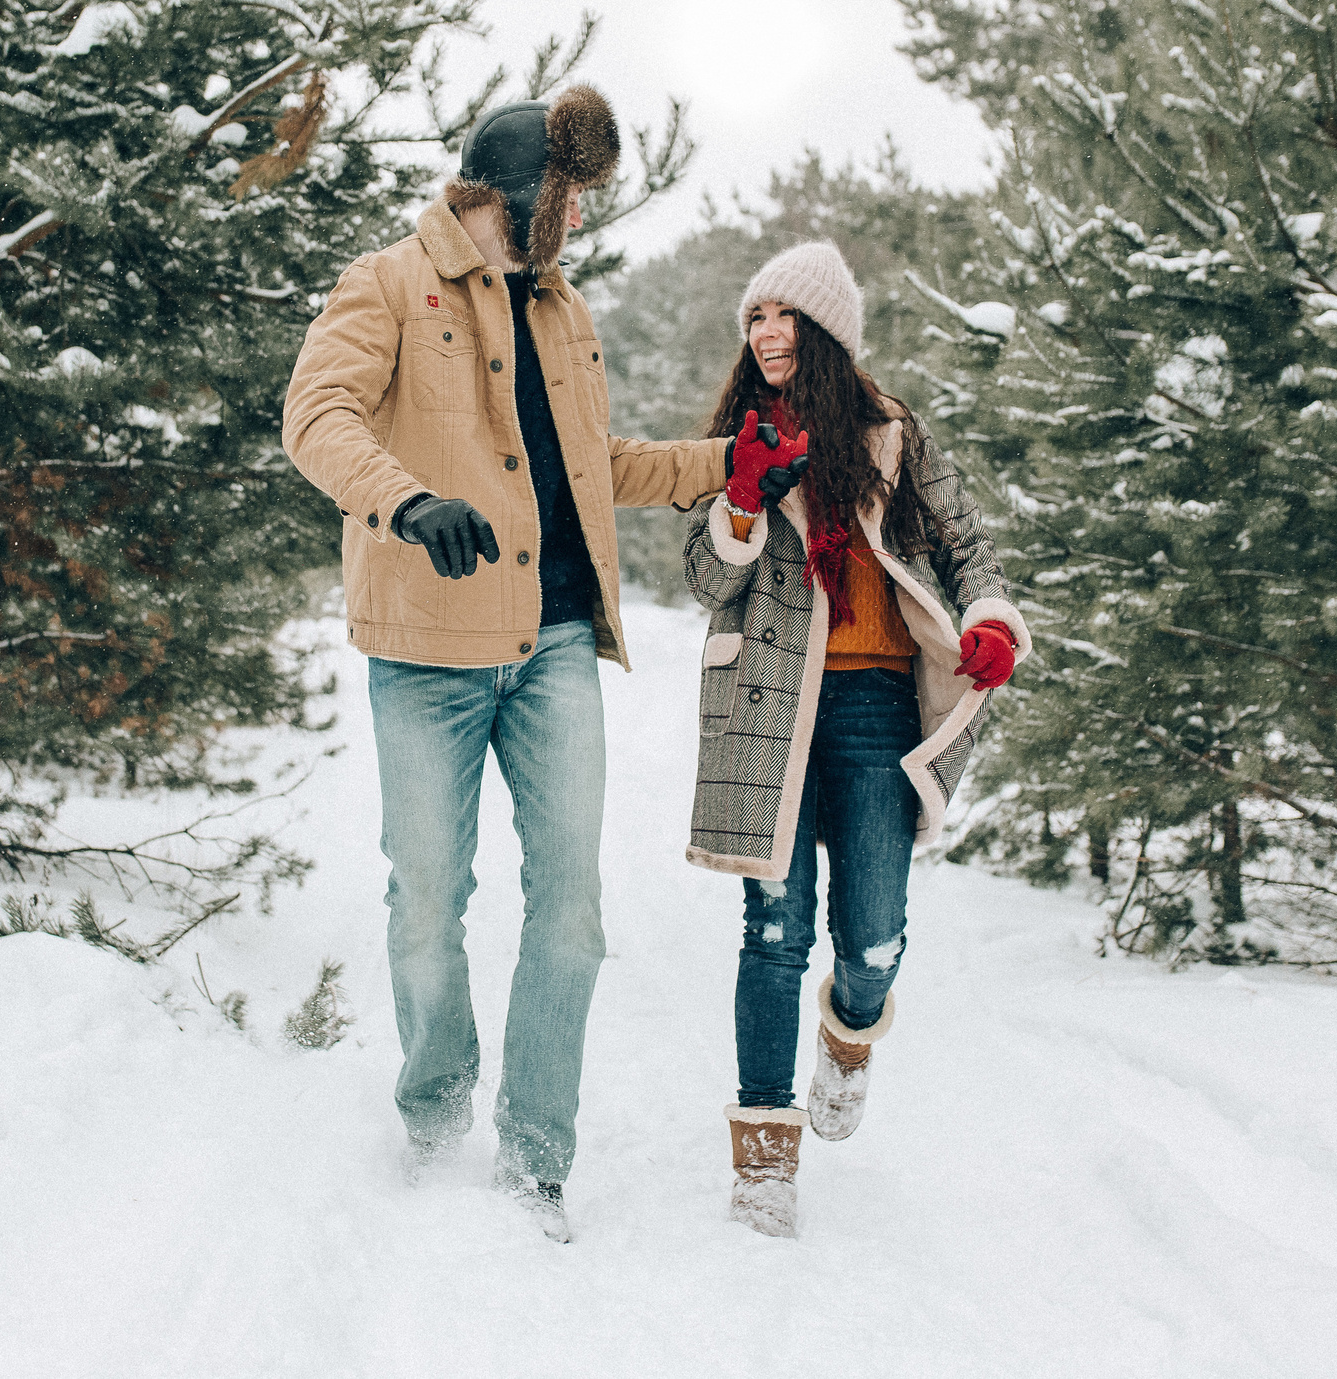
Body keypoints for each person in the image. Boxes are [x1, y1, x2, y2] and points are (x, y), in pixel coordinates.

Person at [282, 86, 740, 1242]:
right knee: (428, 900)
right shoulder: (385, 281)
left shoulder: (563, 311)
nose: (579, 223)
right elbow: (316, 416)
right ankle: (434, 1110)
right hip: (429, 649)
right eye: (571, 200)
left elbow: (594, 467)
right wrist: (406, 498)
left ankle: (536, 1156)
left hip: (554, 649)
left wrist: (722, 466)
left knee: (572, 909)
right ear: (525, 194)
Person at [682, 240, 1030, 1240]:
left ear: (826, 332)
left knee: (870, 937)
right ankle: (762, 1159)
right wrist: (741, 499)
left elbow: (966, 544)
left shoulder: (891, 436)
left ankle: (851, 1031)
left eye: (786, 316)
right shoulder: (738, 435)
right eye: (755, 318)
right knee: (774, 932)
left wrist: (991, 616)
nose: (767, 333)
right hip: (765, 704)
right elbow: (704, 580)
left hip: (876, 704)